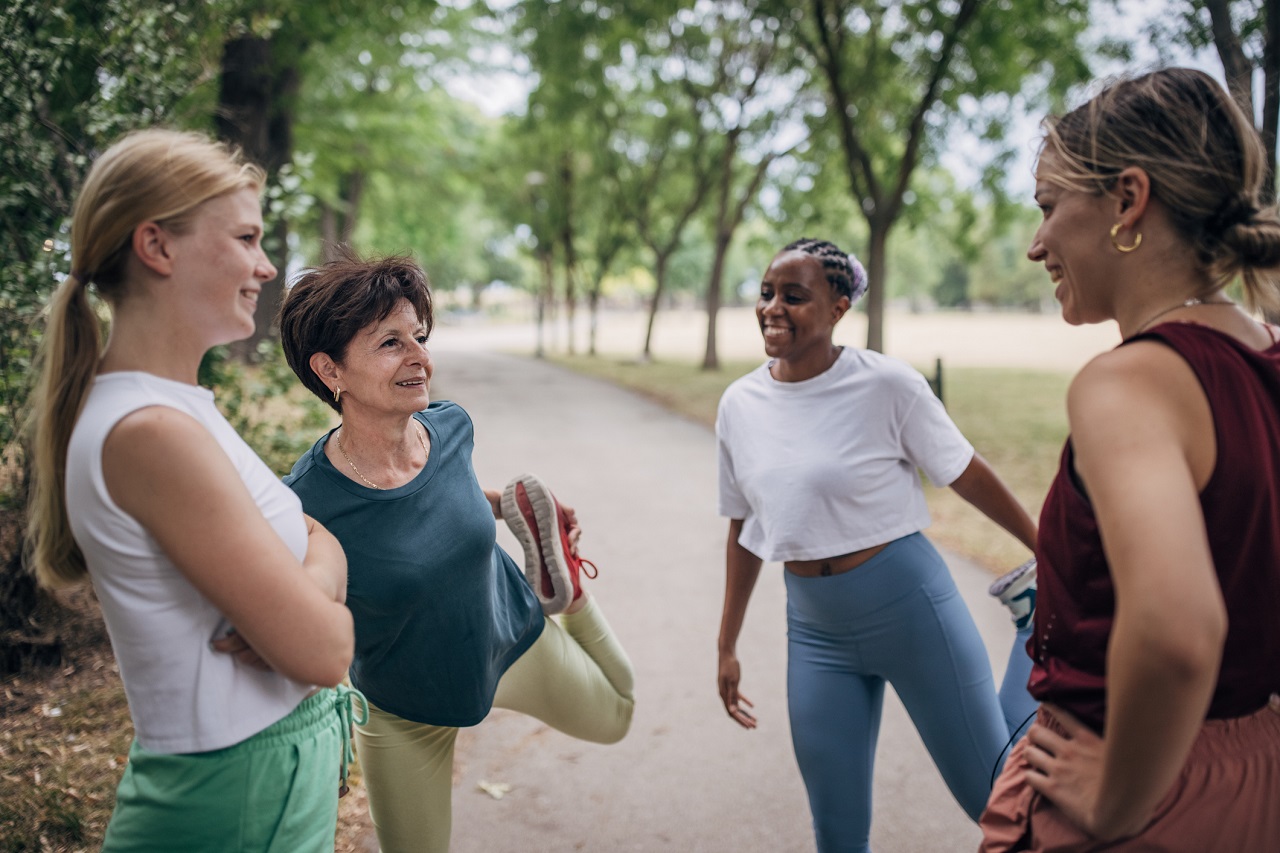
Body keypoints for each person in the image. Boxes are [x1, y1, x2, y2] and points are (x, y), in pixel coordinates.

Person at [24, 129, 357, 851]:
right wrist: (318, 600)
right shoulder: (152, 432)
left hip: (268, 782)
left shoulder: (176, 409)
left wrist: (313, 580)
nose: (267, 266)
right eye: (245, 236)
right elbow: (328, 650)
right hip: (234, 798)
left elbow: (321, 539)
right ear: (158, 246)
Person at [980, 67, 1280, 851]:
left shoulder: (1130, 381)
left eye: (1048, 207)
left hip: (1143, 787)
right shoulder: (1266, 357)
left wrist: (1115, 801)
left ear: (1127, 200)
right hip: (1253, 778)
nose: (1036, 242)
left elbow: (1178, 630)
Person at [276, 253, 635, 853]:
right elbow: (298, 623)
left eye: (419, 336)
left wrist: (505, 505)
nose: (420, 358)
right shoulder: (306, 504)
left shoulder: (449, 429)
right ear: (329, 369)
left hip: (510, 633)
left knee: (617, 714)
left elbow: (446, 501)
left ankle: (566, 591)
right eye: (391, 342)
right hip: (404, 705)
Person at [715, 237, 1040, 853]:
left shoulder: (887, 384)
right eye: (765, 294)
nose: (772, 308)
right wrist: (726, 642)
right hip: (815, 631)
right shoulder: (740, 404)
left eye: (794, 296)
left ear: (839, 308)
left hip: (910, 609)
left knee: (998, 801)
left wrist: (1046, 549)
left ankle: (1036, 623)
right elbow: (742, 528)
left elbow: (964, 470)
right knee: (836, 832)